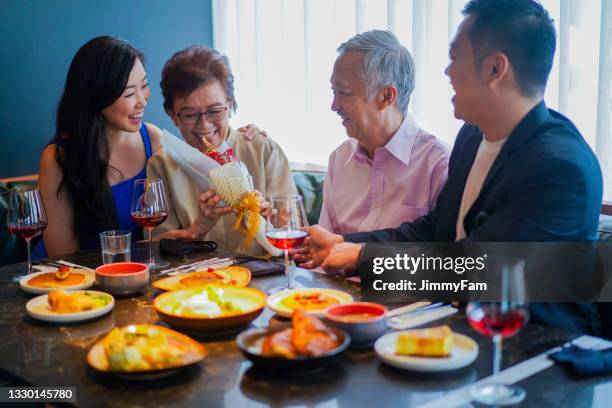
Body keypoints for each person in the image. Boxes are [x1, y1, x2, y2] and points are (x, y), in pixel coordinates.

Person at [305, 0, 603, 334]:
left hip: (538, 351)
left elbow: (477, 269)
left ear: (495, 69)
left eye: (455, 57)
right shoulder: (473, 136)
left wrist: (363, 258)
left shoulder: (558, 168)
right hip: (461, 328)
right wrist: (345, 242)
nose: (447, 72)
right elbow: (435, 230)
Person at [147, 46, 297, 255]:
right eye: (190, 114)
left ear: (230, 103)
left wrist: (267, 220)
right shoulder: (162, 166)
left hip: (266, 280)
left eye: (215, 111)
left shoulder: (263, 150)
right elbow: (156, 249)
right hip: (194, 282)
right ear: (173, 115)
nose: (205, 125)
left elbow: (294, 233)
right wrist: (197, 229)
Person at [36, 36, 164, 258]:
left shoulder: (152, 138)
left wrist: (240, 136)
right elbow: (63, 257)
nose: (142, 101)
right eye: (130, 93)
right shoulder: (57, 158)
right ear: (97, 98)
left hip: (135, 272)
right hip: (73, 278)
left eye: (144, 85)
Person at [320, 30, 449, 235]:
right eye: (333, 92)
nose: (334, 105)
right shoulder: (339, 160)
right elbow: (323, 249)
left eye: (343, 92)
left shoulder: (438, 164)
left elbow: (446, 257)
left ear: (386, 96)